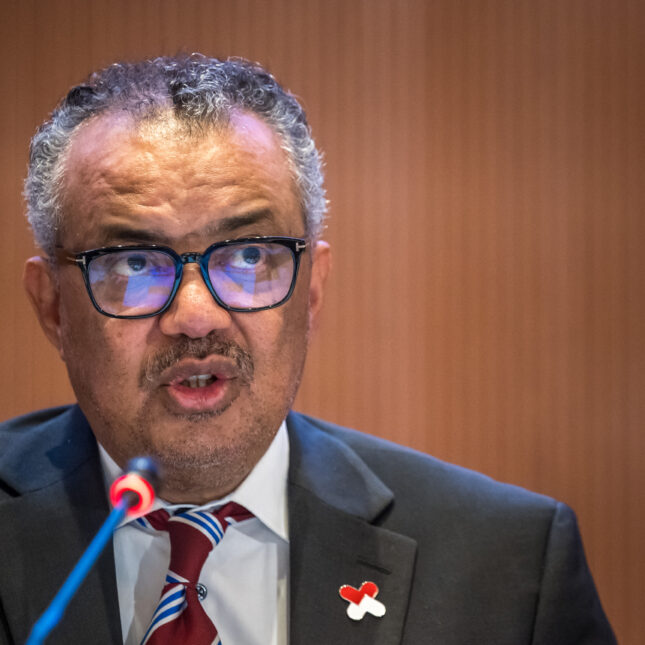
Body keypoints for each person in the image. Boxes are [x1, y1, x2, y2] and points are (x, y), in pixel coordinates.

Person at [0, 54, 616, 645]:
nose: (195, 316)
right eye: (134, 263)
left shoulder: (508, 565)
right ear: (52, 306)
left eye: (248, 256)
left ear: (312, 289)